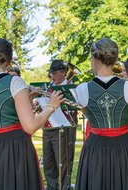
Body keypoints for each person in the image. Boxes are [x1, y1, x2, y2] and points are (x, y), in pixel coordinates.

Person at [0, 38, 65, 190]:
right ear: (9, 61)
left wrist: (27, 99)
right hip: (12, 148)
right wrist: (51, 106)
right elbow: (30, 127)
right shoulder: (15, 82)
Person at [74, 38, 128, 190]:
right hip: (124, 147)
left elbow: (88, 115)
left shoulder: (82, 90)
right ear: (115, 60)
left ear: (94, 60)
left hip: (95, 147)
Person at [43, 59, 77, 190]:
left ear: (64, 73)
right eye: (51, 73)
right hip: (48, 126)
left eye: (54, 73)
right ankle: (51, 187)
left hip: (64, 127)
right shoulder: (48, 87)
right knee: (48, 160)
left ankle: (64, 187)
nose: (52, 76)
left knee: (63, 161)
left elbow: (75, 109)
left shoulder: (72, 87)